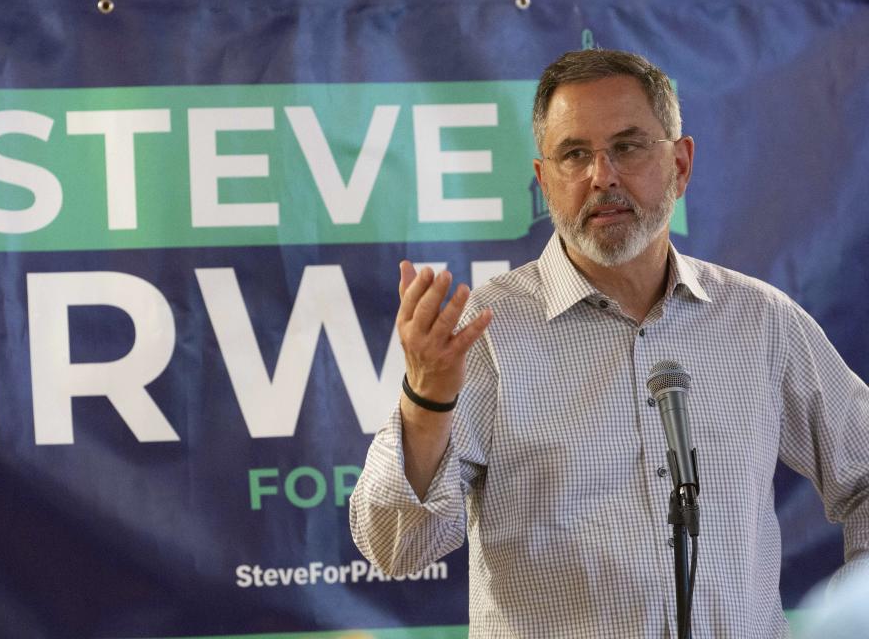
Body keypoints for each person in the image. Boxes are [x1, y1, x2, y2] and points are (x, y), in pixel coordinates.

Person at [348, 49, 869, 638]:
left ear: (681, 163)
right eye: (575, 155)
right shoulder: (486, 335)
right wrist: (427, 401)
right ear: (545, 182)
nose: (602, 175)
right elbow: (396, 547)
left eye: (627, 146)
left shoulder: (759, 320)